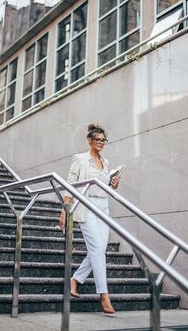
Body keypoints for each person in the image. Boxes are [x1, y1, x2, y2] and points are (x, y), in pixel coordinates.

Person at [60, 123, 120, 314]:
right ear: (89, 140)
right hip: (86, 208)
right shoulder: (80, 159)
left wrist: (114, 185)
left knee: (99, 250)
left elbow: (105, 188)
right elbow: (69, 184)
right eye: (98, 140)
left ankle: (75, 279)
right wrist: (64, 210)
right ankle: (103, 295)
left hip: (103, 208)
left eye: (104, 140)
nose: (101, 143)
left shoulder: (106, 162)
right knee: (97, 249)